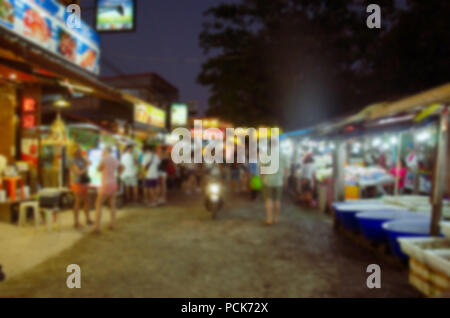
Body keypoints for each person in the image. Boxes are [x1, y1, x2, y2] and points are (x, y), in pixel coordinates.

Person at [92, 147, 122, 233]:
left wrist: (101, 168)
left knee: (98, 204)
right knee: (112, 204)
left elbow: (98, 168)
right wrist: (118, 175)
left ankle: (97, 227)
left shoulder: (104, 159)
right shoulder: (114, 159)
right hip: (113, 183)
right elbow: (123, 167)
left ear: (105, 151)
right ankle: (113, 224)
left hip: (105, 184)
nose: (102, 153)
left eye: (103, 151)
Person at [260, 143, 289, 225]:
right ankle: (276, 218)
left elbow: (262, 169)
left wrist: (261, 179)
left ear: (269, 145)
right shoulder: (283, 155)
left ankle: (269, 219)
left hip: (267, 180)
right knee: (277, 200)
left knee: (268, 200)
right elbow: (286, 169)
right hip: (279, 181)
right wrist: (285, 180)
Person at [70, 147, 93, 229]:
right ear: (75, 152)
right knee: (78, 202)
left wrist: (86, 160)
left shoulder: (82, 159)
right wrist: (86, 166)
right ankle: (76, 222)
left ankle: (88, 219)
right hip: (77, 183)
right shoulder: (73, 161)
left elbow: (90, 162)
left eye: (81, 151)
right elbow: (78, 173)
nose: (80, 152)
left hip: (84, 183)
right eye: (79, 151)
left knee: (87, 201)